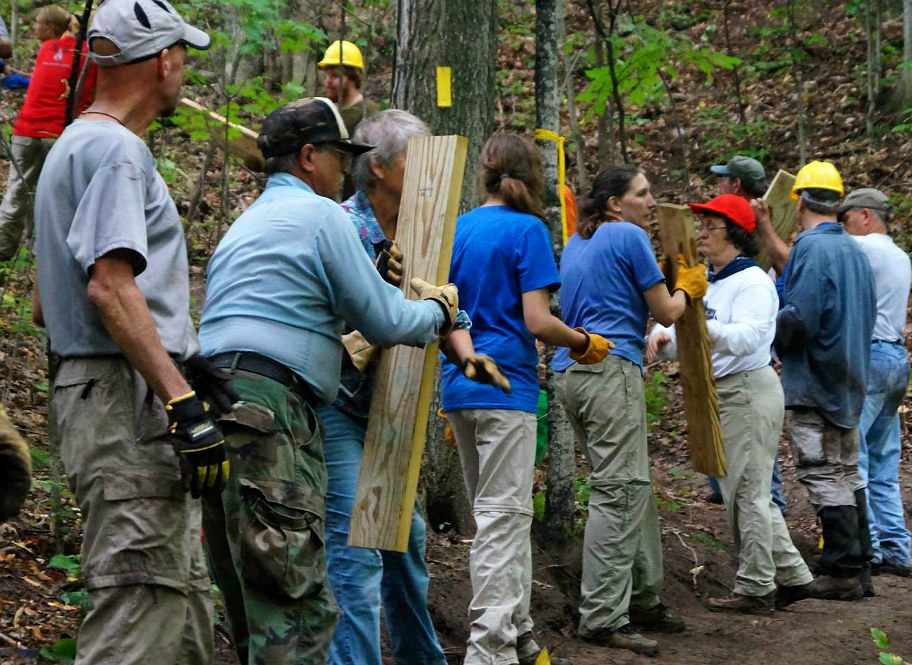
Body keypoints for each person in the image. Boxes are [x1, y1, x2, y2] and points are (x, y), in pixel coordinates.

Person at [198, 97, 461, 665]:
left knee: (251, 593)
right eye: (339, 156)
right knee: (293, 598)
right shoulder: (325, 217)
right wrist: (438, 312)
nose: (349, 169)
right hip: (272, 410)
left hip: (213, 404)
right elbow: (389, 322)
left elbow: (293, 310)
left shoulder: (249, 222)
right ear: (309, 157)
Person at [33, 2, 226, 663]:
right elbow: (109, 285)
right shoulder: (117, 151)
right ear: (161, 60)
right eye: (183, 57)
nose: (184, 71)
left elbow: (42, 303)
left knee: (177, 608)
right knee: (138, 613)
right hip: (127, 399)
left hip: (95, 391)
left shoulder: (71, 148)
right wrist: (181, 399)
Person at [321, 109, 509, 665]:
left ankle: (419, 658)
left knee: (405, 544)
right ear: (377, 168)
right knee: (357, 551)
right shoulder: (342, 227)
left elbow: (446, 307)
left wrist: (469, 359)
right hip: (340, 406)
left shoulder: (424, 230)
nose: (429, 172)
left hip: (396, 408)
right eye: (415, 159)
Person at [442, 132, 612, 665]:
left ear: (485, 176)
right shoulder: (528, 230)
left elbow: (443, 311)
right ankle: (488, 651)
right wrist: (584, 343)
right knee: (501, 516)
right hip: (506, 388)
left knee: (502, 516)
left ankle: (519, 634)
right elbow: (538, 321)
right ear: (532, 177)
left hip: (460, 387)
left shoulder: (459, 228)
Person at [552, 165, 704, 655]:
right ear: (616, 203)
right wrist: (687, 287)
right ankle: (601, 615)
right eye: (642, 193)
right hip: (608, 370)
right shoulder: (628, 235)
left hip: (571, 373)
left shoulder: (577, 242)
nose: (652, 201)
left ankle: (641, 596)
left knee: (630, 486)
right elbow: (666, 312)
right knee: (619, 492)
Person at [647, 194, 814, 615]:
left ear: (735, 234)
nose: (700, 233)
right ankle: (793, 576)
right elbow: (692, 340)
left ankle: (757, 586)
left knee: (747, 493)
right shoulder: (707, 278)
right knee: (742, 487)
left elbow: (753, 337)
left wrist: (705, 327)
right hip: (718, 389)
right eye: (700, 224)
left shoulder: (753, 280)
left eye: (710, 226)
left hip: (749, 390)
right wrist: (663, 340)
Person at [772, 161, 878, 607]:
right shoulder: (855, 248)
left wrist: (768, 331)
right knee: (849, 471)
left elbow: (799, 317)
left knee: (821, 471)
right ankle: (861, 563)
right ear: (838, 202)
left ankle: (840, 570)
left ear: (799, 201)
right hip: (851, 376)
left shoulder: (812, 248)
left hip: (815, 377)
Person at [839, 188, 912, 577]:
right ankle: (896, 547)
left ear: (865, 216)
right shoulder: (898, 254)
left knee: (857, 457)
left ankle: (869, 550)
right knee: (884, 459)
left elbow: (823, 253)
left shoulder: (866, 248)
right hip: (897, 358)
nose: (842, 226)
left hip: (872, 356)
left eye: (845, 218)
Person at [707, 155, 787, 513]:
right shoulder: (752, 229)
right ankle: (740, 497)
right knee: (740, 465)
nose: (720, 183)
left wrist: (702, 330)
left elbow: (748, 331)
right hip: (725, 363)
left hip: (748, 364)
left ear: (736, 184)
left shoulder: (745, 230)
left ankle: (771, 505)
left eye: (725, 179)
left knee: (754, 471)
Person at [0, 5, 97, 261]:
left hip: (28, 129)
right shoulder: (90, 57)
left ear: (51, 28)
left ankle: (2, 248)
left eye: (38, 24)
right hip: (58, 135)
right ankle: (41, 253)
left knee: (18, 188)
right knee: (48, 195)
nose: (34, 28)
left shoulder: (47, 49)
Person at [318, 39, 379, 137]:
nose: (327, 81)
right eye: (327, 75)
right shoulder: (323, 109)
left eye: (335, 75)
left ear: (353, 78)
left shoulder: (369, 112)